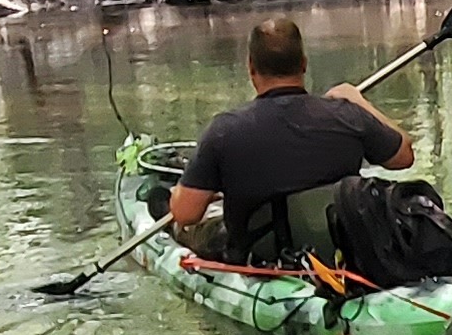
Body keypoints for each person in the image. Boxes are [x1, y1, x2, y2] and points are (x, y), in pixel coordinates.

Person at [169, 17, 415, 265]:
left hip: (264, 257)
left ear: (251, 68)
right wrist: (360, 102)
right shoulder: (348, 115)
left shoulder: (224, 130)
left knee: (182, 220)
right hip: (338, 250)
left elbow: (184, 213)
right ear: (304, 64)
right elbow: (404, 156)